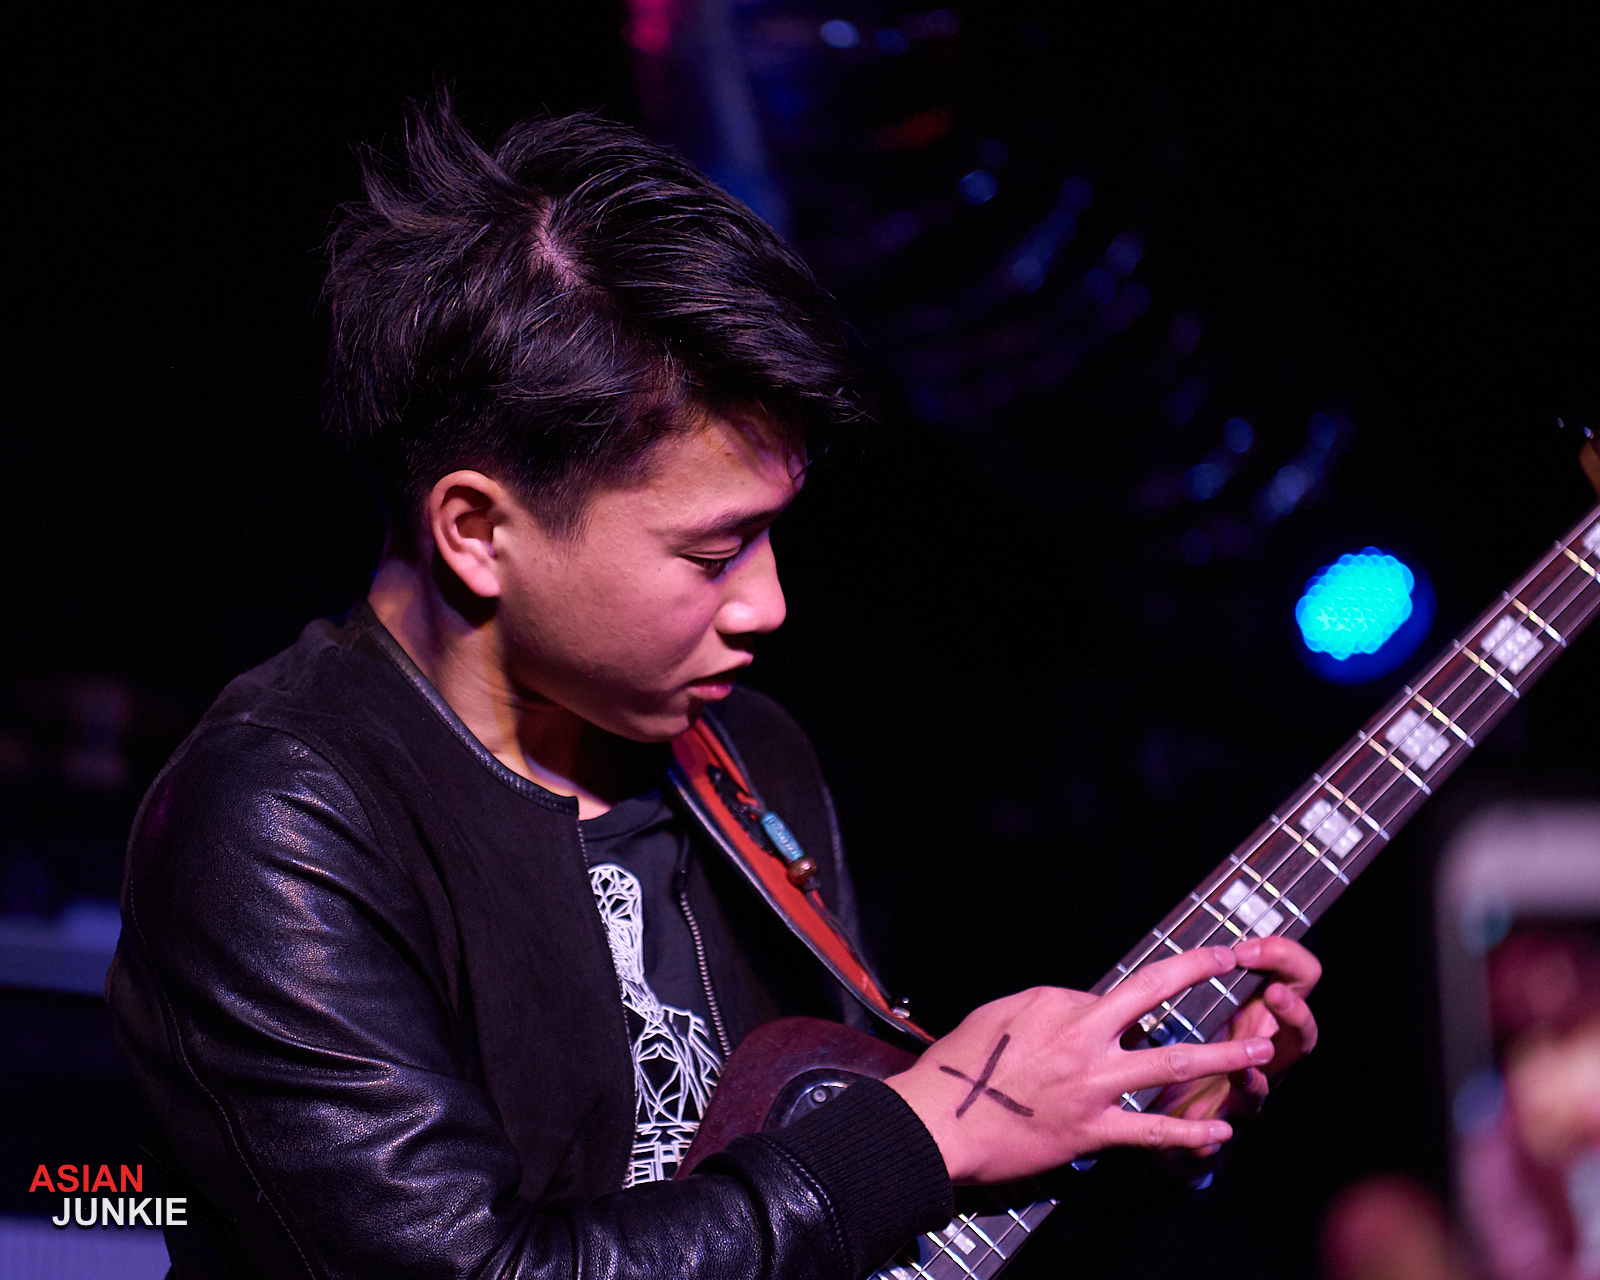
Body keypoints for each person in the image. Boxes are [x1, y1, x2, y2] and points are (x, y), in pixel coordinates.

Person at [108, 99, 1321, 1280]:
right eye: (712, 551)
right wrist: (918, 1131)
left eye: (771, 534)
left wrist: (1126, 1126)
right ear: (477, 531)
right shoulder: (276, 822)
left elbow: (863, 1233)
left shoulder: (748, 755)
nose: (768, 603)